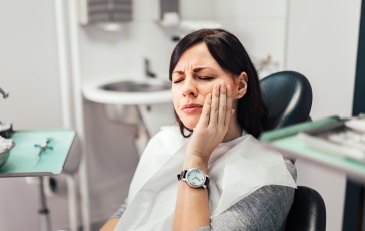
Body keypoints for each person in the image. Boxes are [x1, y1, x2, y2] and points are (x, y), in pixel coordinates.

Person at [100, 28, 297, 231]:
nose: (187, 89)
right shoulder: (164, 142)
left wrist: (197, 157)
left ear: (240, 85)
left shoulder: (269, 176)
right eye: (178, 80)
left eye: (204, 77)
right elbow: (128, 211)